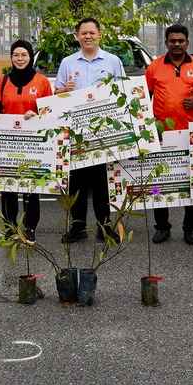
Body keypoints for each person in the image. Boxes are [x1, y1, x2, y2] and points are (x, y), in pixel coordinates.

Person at [55, 17, 126, 244]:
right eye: (83, 33)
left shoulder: (113, 61)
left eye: (91, 33)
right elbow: (56, 95)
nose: (87, 36)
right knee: (76, 181)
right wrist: (63, 90)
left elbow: (124, 92)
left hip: (103, 131)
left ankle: (104, 226)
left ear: (99, 34)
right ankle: (77, 226)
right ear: (77, 36)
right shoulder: (68, 63)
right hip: (75, 133)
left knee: (101, 181)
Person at [145, 24, 193, 245]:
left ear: (187, 43)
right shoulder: (154, 67)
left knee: (191, 181)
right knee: (159, 181)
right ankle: (162, 226)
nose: (176, 44)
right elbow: (144, 98)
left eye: (180, 41)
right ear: (166, 43)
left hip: (190, 133)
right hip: (161, 133)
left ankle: (191, 228)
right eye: (172, 41)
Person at [0, 39, 53, 240]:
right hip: (8, 141)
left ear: (30, 57)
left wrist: (37, 115)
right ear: (11, 57)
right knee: (8, 186)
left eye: (24, 54)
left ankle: (30, 227)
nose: (20, 58)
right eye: (16, 55)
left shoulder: (41, 81)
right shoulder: (3, 80)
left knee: (30, 187)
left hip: (33, 142)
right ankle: (10, 227)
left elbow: (49, 110)